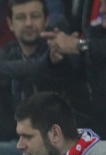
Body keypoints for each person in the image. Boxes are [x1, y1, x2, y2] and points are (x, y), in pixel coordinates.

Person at [0, 0, 89, 143]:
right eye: (21, 17)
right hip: (14, 142)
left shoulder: (57, 53)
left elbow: (36, 68)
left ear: (46, 20)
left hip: (54, 146)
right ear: (10, 23)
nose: (28, 23)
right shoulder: (6, 54)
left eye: (35, 16)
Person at [43, 1, 106, 134]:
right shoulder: (95, 34)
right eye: (102, 3)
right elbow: (75, 77)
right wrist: (59, 55)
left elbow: (89, 46)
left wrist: (80, 45)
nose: (102, 10)